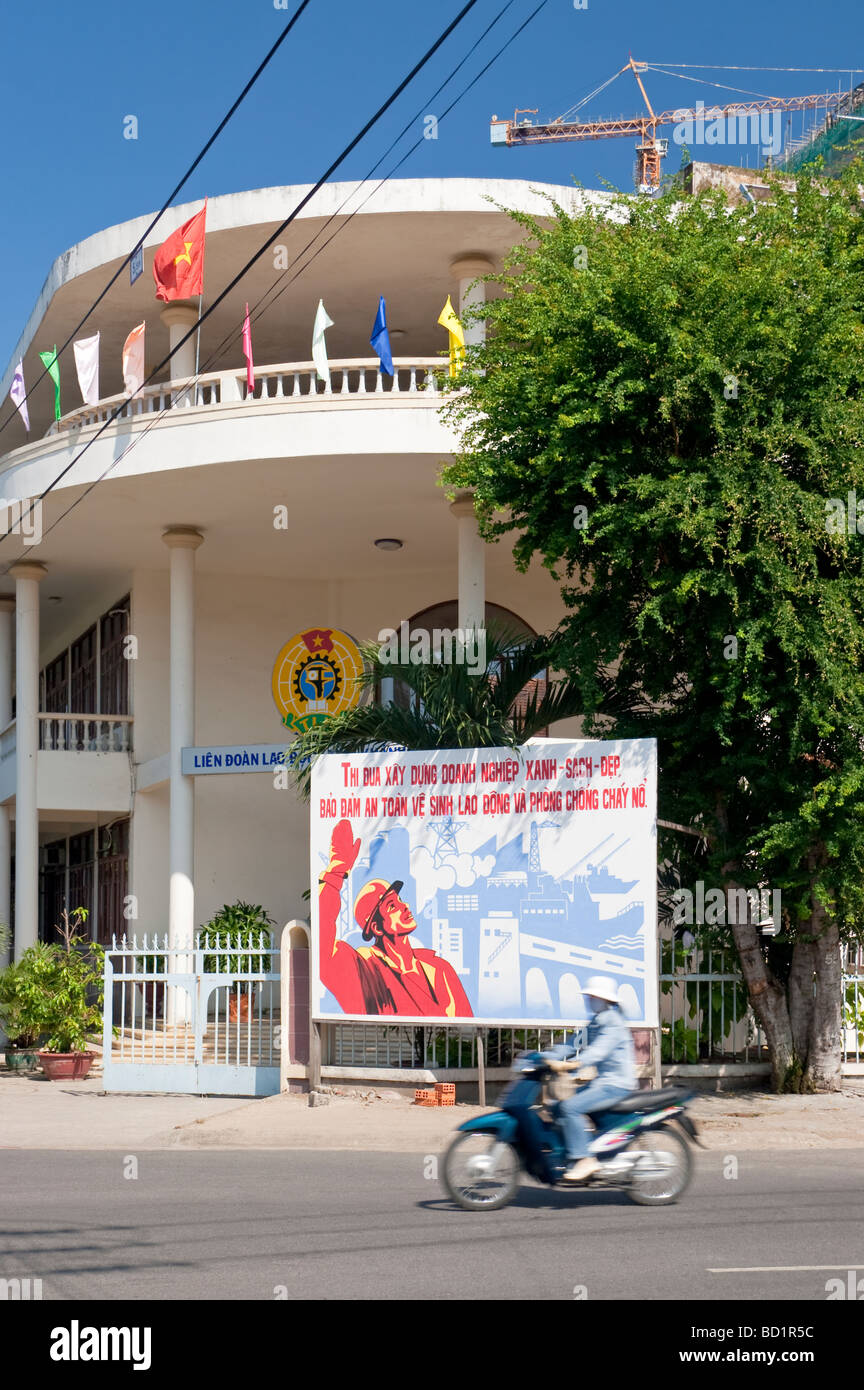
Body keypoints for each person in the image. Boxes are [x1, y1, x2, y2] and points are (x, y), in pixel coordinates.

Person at [318, 818, 473, 1018]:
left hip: (438, 1048)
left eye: (400, 899)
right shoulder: (365, 968)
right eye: (392, 905)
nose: (404, 906)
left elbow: (464, 1019)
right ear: (376, 927)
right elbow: (322, 948)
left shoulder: (438, 968)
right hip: (384, 1045)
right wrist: (336, 872)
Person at [549, 976, 636, 1183]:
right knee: (557, 1107)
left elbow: (598, 1052)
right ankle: (573, 1152)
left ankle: (585, 1159)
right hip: (602, 1083)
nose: (590, 1000)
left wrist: (574, 1064)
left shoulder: (613, 1022)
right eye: (589, 996)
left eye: (593, 996)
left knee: (570, 1108)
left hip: (616, 1085)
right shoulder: (597, 1021)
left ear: (604, 999)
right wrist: (545, 1056)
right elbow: (573, 1043)